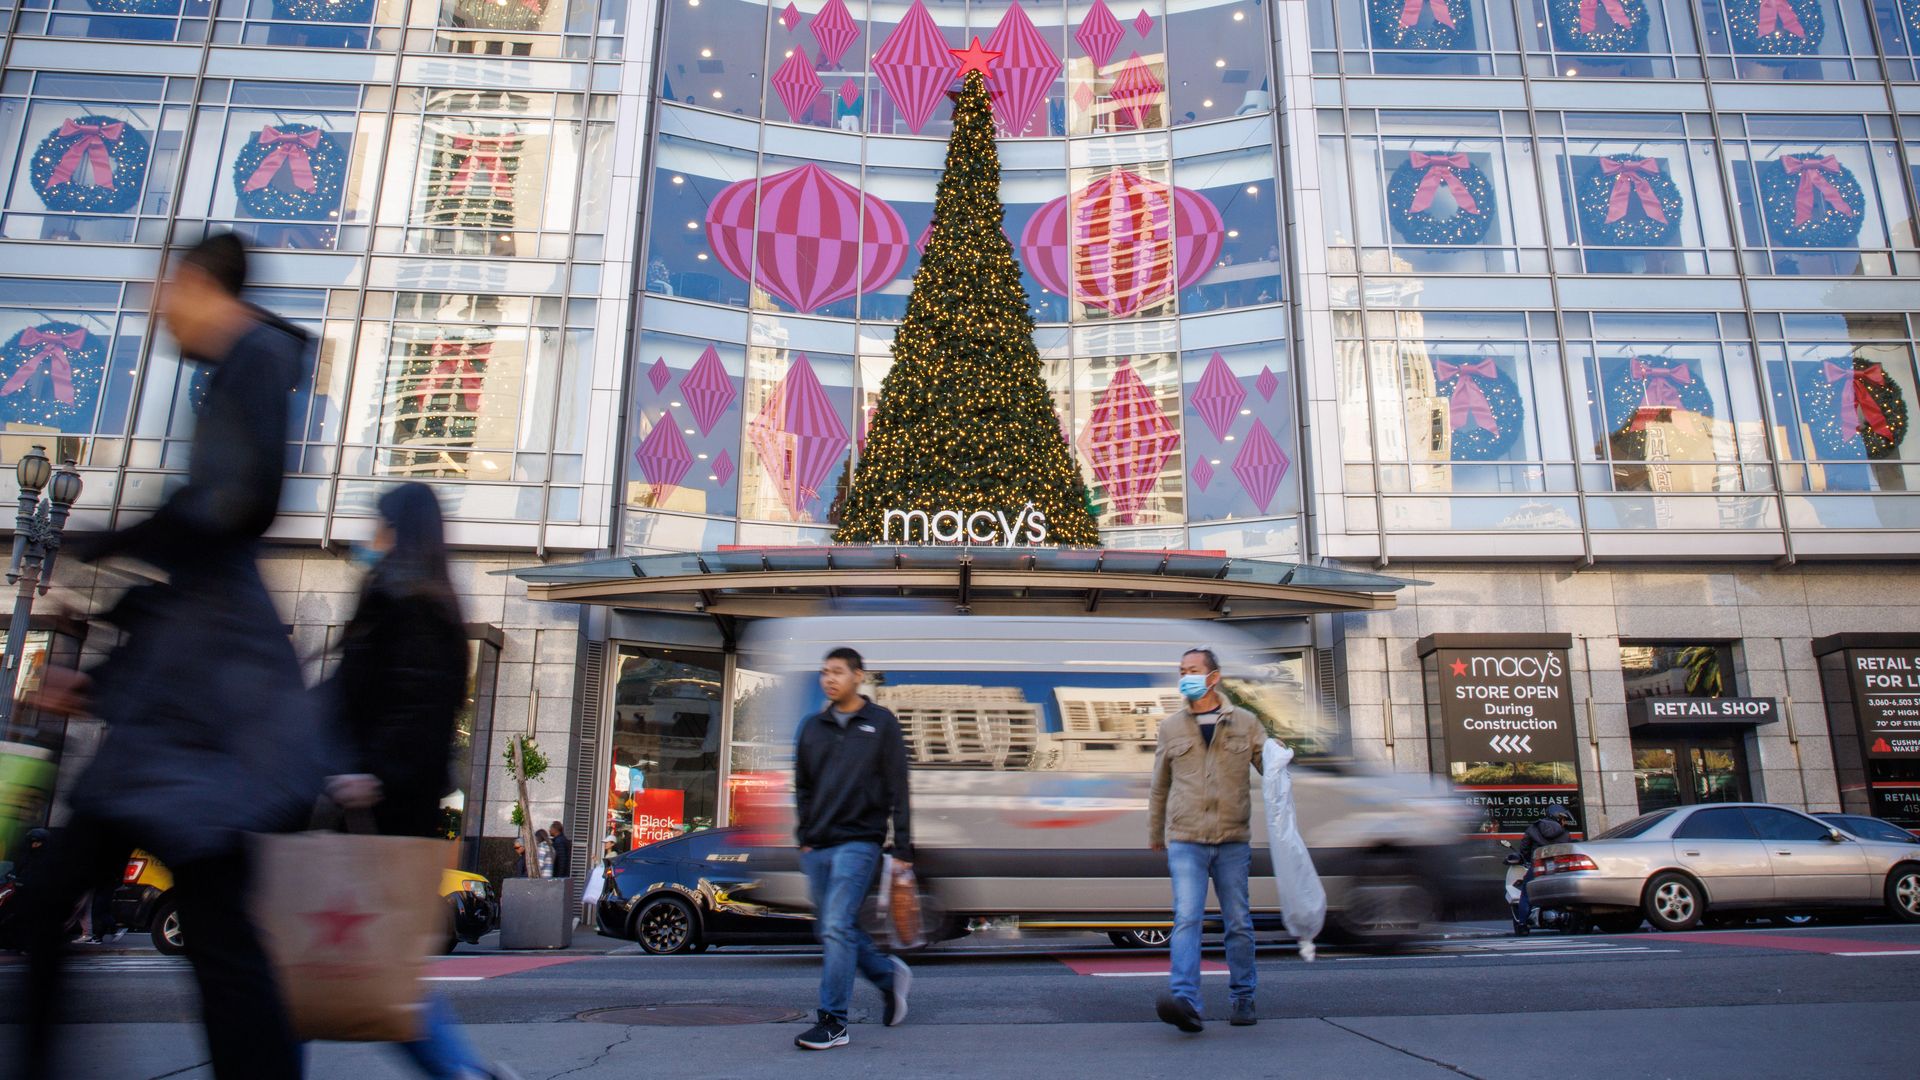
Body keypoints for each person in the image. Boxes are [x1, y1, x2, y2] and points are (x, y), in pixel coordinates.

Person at [14, 232, 317, 1079]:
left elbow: (230, 510)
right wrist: (106, 659)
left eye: (162, 288)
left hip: (198, 728)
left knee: (213, 943)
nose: (155, 307)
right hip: (183, 724)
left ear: (195, 285)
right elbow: (204, 552)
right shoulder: (243, 369)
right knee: (210, 941)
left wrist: (108, 546)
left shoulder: (253, 359)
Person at [323, 482, 519, 1080]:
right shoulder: (437, 600)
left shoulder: (396, 595)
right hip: (401, 809)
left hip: (367, 806)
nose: (368, 536)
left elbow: (372, 700)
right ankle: (462, 1071)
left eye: (377, 523)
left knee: (338, 961)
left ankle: (461, 1072)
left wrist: (360, 771)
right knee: (386, 967)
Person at [791, 647, 912, 1051]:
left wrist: (904, 846)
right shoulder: (812, 727)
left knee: (836, 927)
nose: (829, 679)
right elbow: (803, 787)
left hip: (860, 842)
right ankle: (888, 978)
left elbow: (899, 788)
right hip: (819, 846)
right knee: (835, 928)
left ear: (858, 676)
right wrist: (804, 837)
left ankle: (833, 1022)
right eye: (824, 672)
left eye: (838, 672)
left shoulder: (881, 724)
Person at [1148, 647, 1264, 1033]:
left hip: (1233, 838)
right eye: (1181, 670)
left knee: (1238, 921)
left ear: (1213, 677)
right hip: (1186, 837)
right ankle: (1186, 1002)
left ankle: (1243, 997)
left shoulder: (1246, 723)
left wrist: (1284, 758)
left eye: (1193, 670)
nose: (1185, 676)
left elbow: (1271, 767)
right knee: (1187, 919)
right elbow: (1159, 786)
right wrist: (1155, 833)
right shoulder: (1171, 727)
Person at [1511, 803, 1575, 933]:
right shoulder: (1565, 833)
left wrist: (1530, 859)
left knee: (1526, 894)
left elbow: (1524, 849)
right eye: (1563, 819)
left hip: (1538, 867)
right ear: (1558, 817)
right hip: (1559, 867)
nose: (1564, 822)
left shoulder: (1533, 828)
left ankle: (1522, 924)